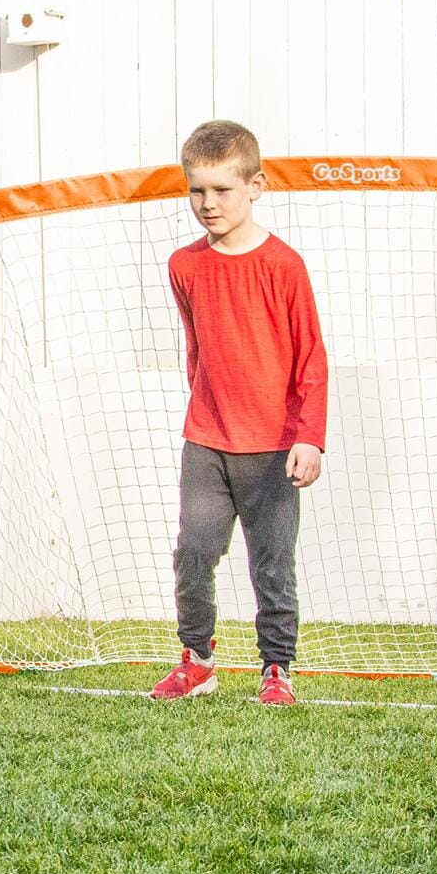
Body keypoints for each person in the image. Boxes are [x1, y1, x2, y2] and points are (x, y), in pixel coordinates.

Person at [152, 119, 327, 708]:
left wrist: (310, 437)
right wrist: (207, 411)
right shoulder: (184, 265)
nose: (208, 203)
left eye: (222, 190)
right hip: (206, 443)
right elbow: (198, 350)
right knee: (194, 551)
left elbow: (311, 359)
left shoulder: (284, 265)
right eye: (197, 190)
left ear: (257, 186)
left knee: (272, 564)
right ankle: (197, 660)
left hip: (274, 447)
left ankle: (276, 669)